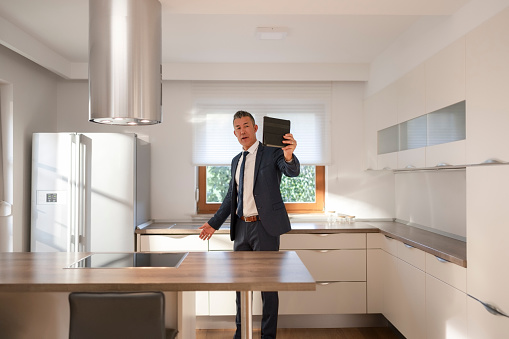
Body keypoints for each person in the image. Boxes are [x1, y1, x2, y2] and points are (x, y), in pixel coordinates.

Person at [199, 110, 300, 339]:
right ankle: (241, 333)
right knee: (240, 286)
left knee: (268, 287)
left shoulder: (273, 153)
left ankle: (267, 336)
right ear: (234, 133)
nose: (242, 130)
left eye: (246, 126)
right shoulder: (236, 161)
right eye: (238, 127)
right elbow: (230, 198)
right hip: (242, 228)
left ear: (255, 129)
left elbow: (291, 171)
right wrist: (213, 224)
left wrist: (289, 155)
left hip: (266, 228)